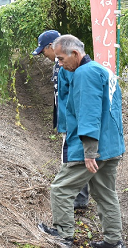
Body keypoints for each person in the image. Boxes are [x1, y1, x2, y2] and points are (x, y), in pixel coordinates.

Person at [38, 35, 125, 248]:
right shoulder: (102, 69)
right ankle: (114, 241)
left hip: (94, 146)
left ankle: (63, 235)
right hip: (111, 144)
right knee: (105, 193)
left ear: (75, 54)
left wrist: (89, 151)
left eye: (60, 59)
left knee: (61, 188)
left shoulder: (84, 73)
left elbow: (89, 113)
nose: (59, 63)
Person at [32, 30, 89, 210]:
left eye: (43, 51)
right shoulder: (60, 64)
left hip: (73, 121)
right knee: (71, 157)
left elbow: (75, 93)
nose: (44, 56)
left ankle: (78, 198)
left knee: (73, 157)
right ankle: (76, 195)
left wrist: (71, 121)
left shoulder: (67, 65)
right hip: (66, 120)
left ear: (51, 46)